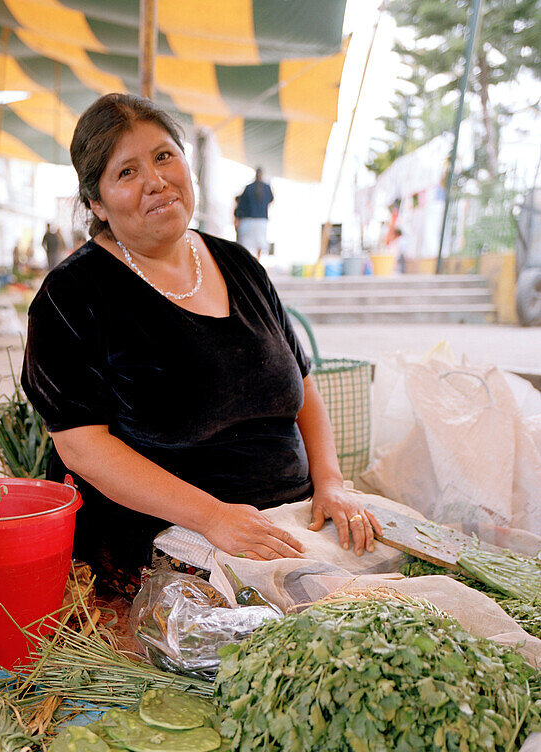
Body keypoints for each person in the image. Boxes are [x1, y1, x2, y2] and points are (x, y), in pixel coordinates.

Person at [22, 94, 380, 595]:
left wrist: (332, 484)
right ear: (97, 203)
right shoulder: (71, 296)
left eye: (164, 155)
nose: (155, 181)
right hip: (173, 540)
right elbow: (82, 447)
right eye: (126, 172)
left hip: (297, 517)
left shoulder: (239, 264)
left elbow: (303, 386)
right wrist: (212, 517)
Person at [234, 167, 274, 259]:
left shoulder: (248, 188)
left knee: (246, 246)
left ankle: (246, 264)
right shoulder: (267, 188)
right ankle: (258, 263)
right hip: (262, 221)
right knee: (259, 245)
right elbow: (271, 200)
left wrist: (237, 218)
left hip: (248, 221)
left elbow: (241, 205)